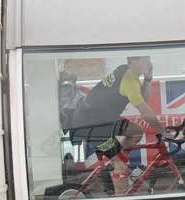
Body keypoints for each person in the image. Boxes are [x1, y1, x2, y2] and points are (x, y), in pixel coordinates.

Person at [63, 56, 163, 193]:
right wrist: (161, 129)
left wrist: (147, 79)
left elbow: (143, 97)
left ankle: (109, 165)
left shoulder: (126, 71)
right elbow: (145, 111)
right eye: (145, 60)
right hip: (91, 125)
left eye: (149, 59)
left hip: (102, 119)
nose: (150, 63)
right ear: (134, 62)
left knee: (136, 131)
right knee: (121, 163)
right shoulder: (128, 80)